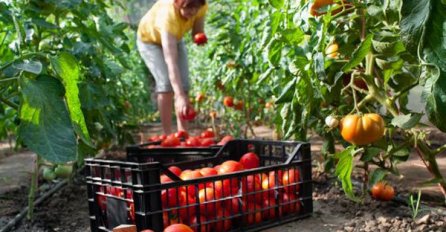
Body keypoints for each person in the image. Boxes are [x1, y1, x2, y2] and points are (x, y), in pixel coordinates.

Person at [137, 0, 207, 135]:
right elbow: (171, 61)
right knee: (166, 85)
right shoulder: (168, 15)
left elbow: (197, 30)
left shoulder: (201, 7)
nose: (192, 12)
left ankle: (183, 134)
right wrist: (179, 96)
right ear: (178, 3)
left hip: (175, 37)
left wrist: (199, 37)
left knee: (184, 85)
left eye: (195, 8)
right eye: (188, 8)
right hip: (149, 41)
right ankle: (168, 136)